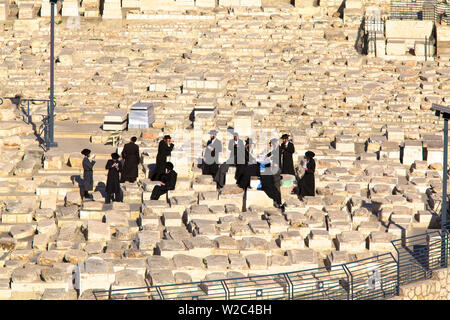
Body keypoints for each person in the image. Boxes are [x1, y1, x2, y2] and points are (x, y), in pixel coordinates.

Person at [259, 141, 285, 213]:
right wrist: (266, 156)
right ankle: (276, 200)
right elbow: (271, 153)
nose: (271, 147)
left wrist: (269, 159)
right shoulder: (275, 149)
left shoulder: (278, 149)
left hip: (276, 169)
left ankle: (278, 202)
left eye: (271, 145)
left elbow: (275, 156)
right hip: (274, 169)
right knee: (274, 185)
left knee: (276, 186)